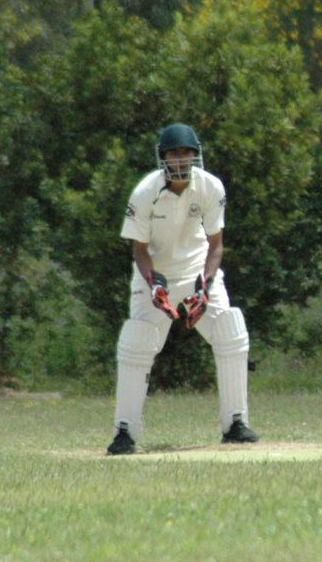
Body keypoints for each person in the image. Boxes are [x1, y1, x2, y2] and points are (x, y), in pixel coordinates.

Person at [106, 123, 259, 455]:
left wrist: (204, 286)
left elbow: (216, 245)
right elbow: (140, 250)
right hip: (155, 275)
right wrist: (155, 284)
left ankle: (235, 423)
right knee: (137, 342)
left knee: (230, 330)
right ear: (164, 158)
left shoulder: (210, 187)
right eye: (176, 154)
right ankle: (124, 432)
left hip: (197, 273)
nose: (183, 160)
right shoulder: (145, 193)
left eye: (188, 153)